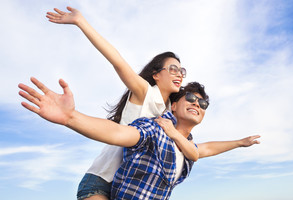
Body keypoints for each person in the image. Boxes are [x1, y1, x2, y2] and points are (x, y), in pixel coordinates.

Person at [45, 7, 261, 200]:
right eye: (173, 69)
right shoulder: (145, 92)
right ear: (156, 74)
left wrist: (240, 142)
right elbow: (117, 61)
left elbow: (200, 150)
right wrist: (82, 22)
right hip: (103, 180)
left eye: (182, 71)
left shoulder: (171, 115)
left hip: (130, 185)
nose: (179, 74)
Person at [18, 79, 259, 200]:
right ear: (173, 106)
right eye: (191, 98)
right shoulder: (155, 128)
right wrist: (71, 117)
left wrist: (239, 142)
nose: (197, 103)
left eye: (203, 103)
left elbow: (205, 149)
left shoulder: (185, 150)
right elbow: (119, 134)